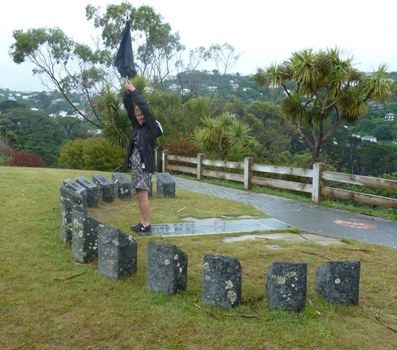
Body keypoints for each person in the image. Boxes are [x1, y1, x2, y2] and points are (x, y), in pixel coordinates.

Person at [123, 80, 160, 233]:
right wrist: (127, 94)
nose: (140, 118)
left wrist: (134, 91)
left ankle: (146, 224)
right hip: (137, 167)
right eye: (138, 115)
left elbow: (145, 107)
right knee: (139, 195)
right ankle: (143, 222)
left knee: (143, 195)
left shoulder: (151, 128)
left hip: (145, 167)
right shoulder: (137, 127)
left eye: (142, 115)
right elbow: (128, 108)